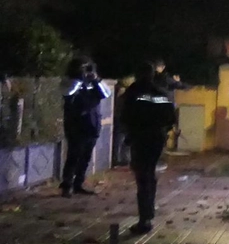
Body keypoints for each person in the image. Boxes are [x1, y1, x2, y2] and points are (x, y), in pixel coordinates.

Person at [121, 63, 177, 234]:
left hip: (140, 137)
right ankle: (148, 214)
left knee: (142, 176)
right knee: (149, 174)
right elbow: (170, 118)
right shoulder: (161, 93)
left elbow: (125, 116)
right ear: (152, 75)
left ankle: (145, 218)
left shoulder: (133, 91)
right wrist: (163, 131)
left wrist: (129, 135)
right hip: (156, 138)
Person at [60, 58, 109, 196]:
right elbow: (67, 92)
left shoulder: (94, 82)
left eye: (88, 68)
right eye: (83, 68)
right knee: (74, 155)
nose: (86, 71)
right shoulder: (69, 81)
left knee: (85, 157)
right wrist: (79, 80)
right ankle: (67, 185)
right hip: (75, 124)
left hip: (92, 124)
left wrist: (96, 80)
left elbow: (106, 93)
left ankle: (78, 184)